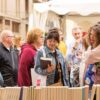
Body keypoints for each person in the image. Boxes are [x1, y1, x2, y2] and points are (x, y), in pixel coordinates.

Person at [84, 23, 100, 88]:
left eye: (95, 35)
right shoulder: (90, 47)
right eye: (91, 34)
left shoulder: (96, 50)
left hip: (97, 82)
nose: (91, 37)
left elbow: (88, 58)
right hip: (89, 80)